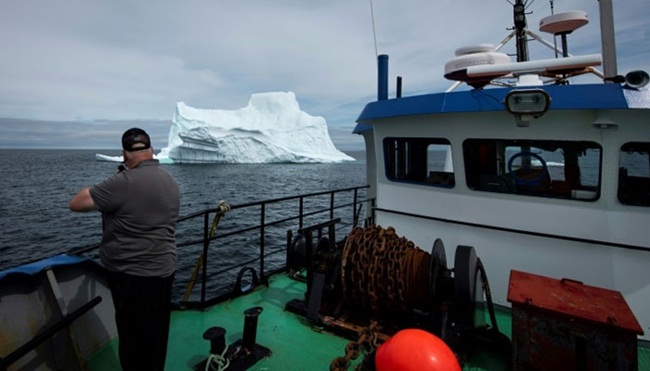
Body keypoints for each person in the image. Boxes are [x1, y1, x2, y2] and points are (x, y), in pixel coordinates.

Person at [69, 128, 180, 371]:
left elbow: (76, 203)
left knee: (133, 342)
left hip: (132, 277)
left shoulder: (122, 183)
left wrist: (101, 185)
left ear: (124, 154)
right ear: (151, 150)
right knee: (156, 337)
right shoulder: (170, 181)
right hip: (164, 271)